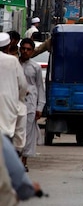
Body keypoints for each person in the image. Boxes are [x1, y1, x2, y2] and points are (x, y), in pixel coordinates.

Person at [18, 39, 44, 172]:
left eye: (28, 49)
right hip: (15, 104)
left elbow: (40, 87)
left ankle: (24, 162)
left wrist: (40, 107)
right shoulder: (14, 64)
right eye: (23, 48)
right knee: (16, 133)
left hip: (30, 105)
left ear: (32, 51)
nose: (25, 51)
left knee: (28, 134)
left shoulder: (35, 67)